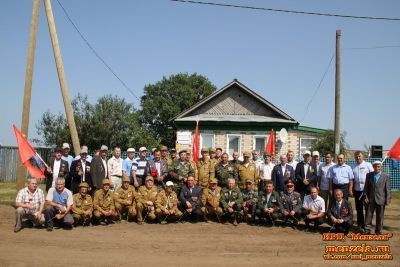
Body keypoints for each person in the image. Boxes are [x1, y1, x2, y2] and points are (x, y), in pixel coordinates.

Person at [364, 160, 391, 235]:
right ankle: (367, 229)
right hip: (370, 199)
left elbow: (388, 189)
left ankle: (378, 230)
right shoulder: (369, 175)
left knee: (380, 216)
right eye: (375, 166)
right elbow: (366, 187)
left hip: (381, 199)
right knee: (368, 215)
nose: (377, 168)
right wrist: (365, 196)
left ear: (381, 167)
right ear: (373, 167)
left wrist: (388, 199)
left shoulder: (386, 176)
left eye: (378, 166)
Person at [351, 151, 373, 231]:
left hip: (367, 191)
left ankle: (367, 225)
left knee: (368, 209)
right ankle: (360, 225)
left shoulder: (368, 165)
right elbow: (352, 179)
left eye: (359, 156)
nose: (358, 158)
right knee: (359, 208)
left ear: (363, 157)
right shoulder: (353, 166)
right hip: (357, 190)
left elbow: (372, 177)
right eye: (356, 156)